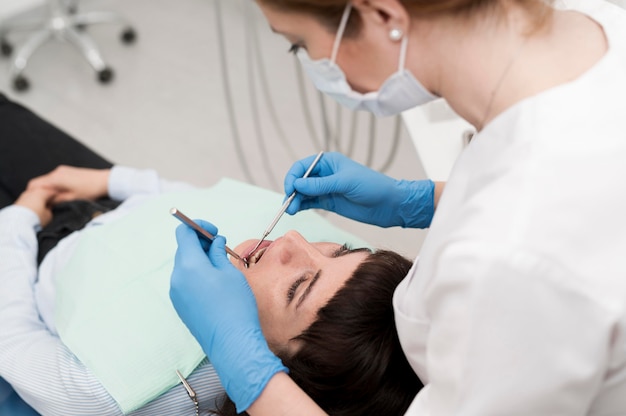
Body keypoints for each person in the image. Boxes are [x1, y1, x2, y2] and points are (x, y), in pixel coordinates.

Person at [169, 0, 626, 415]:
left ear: (383, 16)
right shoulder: (591, 30)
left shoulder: (503, 266)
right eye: (342, 249)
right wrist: (421, 201)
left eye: (300, 44)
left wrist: (246, 368)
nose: (292, 238)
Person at [0, 94, 421, 415]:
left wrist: (19, 220)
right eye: (341, 250)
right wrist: (118, 181)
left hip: (22, 261)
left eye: (298, 287)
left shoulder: (112, 392)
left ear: (280, 368)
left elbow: (13, 338)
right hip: (109, 203)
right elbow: (213, 201)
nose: (295, 240)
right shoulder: (315, 262)